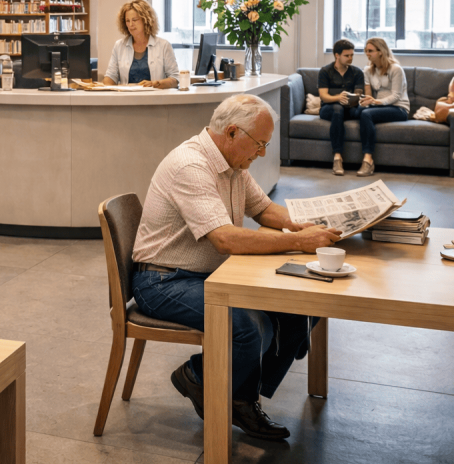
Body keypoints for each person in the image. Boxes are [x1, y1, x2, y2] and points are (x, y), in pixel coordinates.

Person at [131, 94, 341, 440]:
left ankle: (240, 393)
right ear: (231, 132)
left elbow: (264, 210)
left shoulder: (233, 164)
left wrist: (305, 226)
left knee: (300, 306)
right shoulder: (191, 166)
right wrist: (300, 242)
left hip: (206, 274)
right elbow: (226, 240)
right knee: (251, 328)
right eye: (259, 144)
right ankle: (202, 379)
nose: (262, 153)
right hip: (162, 280)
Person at [355, 38, 409, 177]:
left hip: (398, 108)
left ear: (380, 51)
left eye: (370, 51)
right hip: (378, 106)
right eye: (366, 51)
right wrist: (366, 101)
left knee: (366, 114)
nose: (367, 54)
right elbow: (368, 95)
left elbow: (396, 95)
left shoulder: (395, 69)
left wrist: (377, 102)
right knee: (358, 111)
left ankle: (368, 160)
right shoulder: (367, 70)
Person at [102, 0, 179, 89]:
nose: (131, 24)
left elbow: (175, 79)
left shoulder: (164, 45)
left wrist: (155, 83)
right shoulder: (119, 46)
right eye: (127, 21)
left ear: (146, 20)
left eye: (134, 20)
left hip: (155, 96)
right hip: (127, 97)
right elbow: (111, 76)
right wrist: (106, 85)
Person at [317, 38, 364, 176]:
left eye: (352, 55)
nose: (350, 58)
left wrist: (353, 97)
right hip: (329, 108)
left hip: (350, 108)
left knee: (365, 112)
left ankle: (367, 158)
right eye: (347, 55)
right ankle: (337, 157)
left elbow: (359, 94)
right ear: (337, 55)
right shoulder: (325, 71)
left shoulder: (357, 72)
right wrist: (338, 97)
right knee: (338, 110)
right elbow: (324, 96)